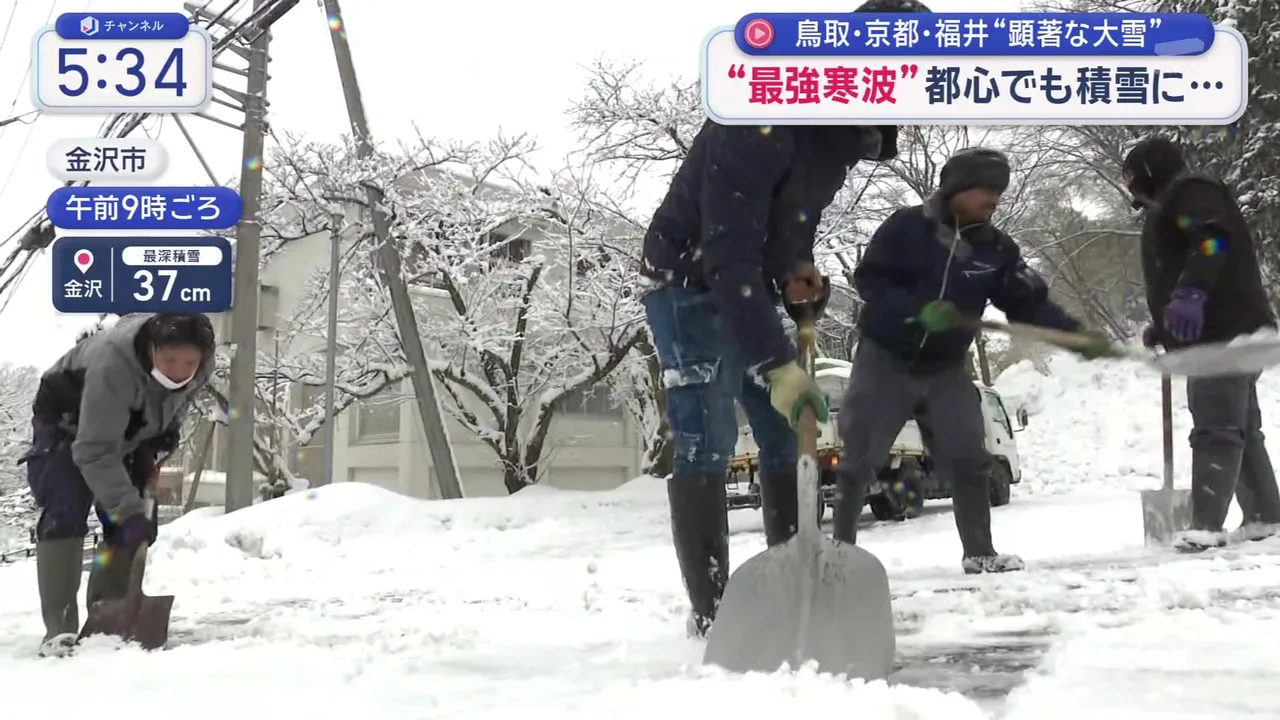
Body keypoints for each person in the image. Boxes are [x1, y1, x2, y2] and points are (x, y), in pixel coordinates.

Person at [639, 0, 933, 639]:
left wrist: (797, 269)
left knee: (783, 431)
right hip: (689, 283)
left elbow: (789, 224)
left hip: (743, 285)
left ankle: (792, 585)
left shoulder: (841, 137)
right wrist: (776, 362)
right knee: (707, 437)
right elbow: (728, 250)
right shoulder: (758, 112)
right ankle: (715, 615)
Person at [833, 148, 1110, 574]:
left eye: (999, 191)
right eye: (986, 190)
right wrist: (916, 310)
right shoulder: (906, 227)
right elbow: (871, 280)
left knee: (968, 455)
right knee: (859, 457)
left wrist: (1075, 335)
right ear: (955, 189)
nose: (994, 200)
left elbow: (1028, 303)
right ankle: (837, 557)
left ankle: (980, 552)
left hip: (946, 367)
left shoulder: (996, 250)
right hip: (886, 358)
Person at [23, 313, 216, 655]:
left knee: (131, 523)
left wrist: (165, 431)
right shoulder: (113, 365)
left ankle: (109, 615)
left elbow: (176, 400)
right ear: (151, 348)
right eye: (170, 359)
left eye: (189, 362)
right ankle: (59, 628)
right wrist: (126, 509)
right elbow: (94, 451)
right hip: (65, 420)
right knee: (66, 508)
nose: (179, 371)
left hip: (131, 423)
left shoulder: (201, 367)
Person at [1124, 136, 1280, 551]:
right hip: (1230, 329)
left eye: (1136, 184)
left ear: (1150, 174)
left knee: (1215, 426)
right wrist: (1164, 326)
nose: (1138, 198)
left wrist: (1191, 293)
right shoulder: (1176, 201)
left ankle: (1206, 525)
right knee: (1240, 426)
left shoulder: (1190, 191)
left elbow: (1213, 240)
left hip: (1223, 333)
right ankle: (1264, 517)